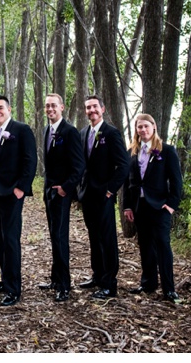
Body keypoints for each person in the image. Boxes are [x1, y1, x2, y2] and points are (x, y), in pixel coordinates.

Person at [0, 95, 37, 306]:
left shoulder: (21, 130)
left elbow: (30, 161)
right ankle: (5, 281)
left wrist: (21, 188)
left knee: (11, 240)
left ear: (9, 109)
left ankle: (14, 289)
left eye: (0, 108)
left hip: (12, 193)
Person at [122, 114, 183, 303]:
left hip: (160, 207)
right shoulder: (132, 151)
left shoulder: (167, 151)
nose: (143, 130)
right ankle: (148, 283)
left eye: (146, 126)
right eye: (139, 127)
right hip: (139, 207)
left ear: (153, 127)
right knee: (146, 246)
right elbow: (127, 182)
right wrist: (127, 206)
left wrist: (171, 205)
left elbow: (176, 182)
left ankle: (169, 289)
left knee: (163, 246)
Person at [77, 95, 130, 299]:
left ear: (103, 108)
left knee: (107, 240)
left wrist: (110, 189)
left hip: (104, 195)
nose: (91, 110)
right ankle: (97, 275)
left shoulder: (111, 133)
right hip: (87, 195)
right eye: (88, 107)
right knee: (93, 237)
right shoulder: (83, 133)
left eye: (94, 107)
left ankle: (110, 283)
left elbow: (123, 165)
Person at [38, 93, 85, 302]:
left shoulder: (70, 131)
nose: (50, 109)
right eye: (47, 106)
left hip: (62, 193)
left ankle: (64, 285)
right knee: (53, 236)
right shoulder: (47, 130)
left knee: (61, 237)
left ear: (62, 107)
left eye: (53, 106)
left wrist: (66, 188)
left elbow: (79, 166)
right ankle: (55, 279)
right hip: (49, 192)